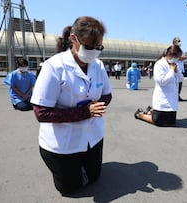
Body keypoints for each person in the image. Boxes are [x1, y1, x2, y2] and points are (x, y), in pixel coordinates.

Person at [30, 16, 112, 196]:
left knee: (94, 177)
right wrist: (85, 112)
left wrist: (97, 106)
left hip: (93, 136)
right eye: (89, 47)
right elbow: (41, 113)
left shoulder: (98, 66)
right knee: (70, 188)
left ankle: (81, 166)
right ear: (73, 39)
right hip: (62, 142)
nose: (94, 52)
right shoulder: (54, 67)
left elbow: (107, 94)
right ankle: (63, 169)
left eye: (98, 47)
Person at [134, 44, 182, 127]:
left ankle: (151, 111)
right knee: (159, 122)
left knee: (171, 122)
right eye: (177, 57)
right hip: (162, 100)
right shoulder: (159, 64)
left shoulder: (174, 65)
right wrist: (171, 71)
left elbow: (181, 79)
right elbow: (161, 81)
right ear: (170, 55)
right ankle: (140, 114)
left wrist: (177, 71)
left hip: (172, 102)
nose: (177, 59)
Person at [172, 37, 187, 101]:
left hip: (180, 68)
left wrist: (183, 58)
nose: (180, 42)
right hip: (175, 68)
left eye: (180, 41)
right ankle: (174, 96)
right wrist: (183, 58)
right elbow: (176, 57)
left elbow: (181, 57)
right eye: (178, 41)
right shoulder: (173, 49)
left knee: (180, 82)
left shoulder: (180, 49)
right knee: (175, 83)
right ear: (175, 41)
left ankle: (177, 95)